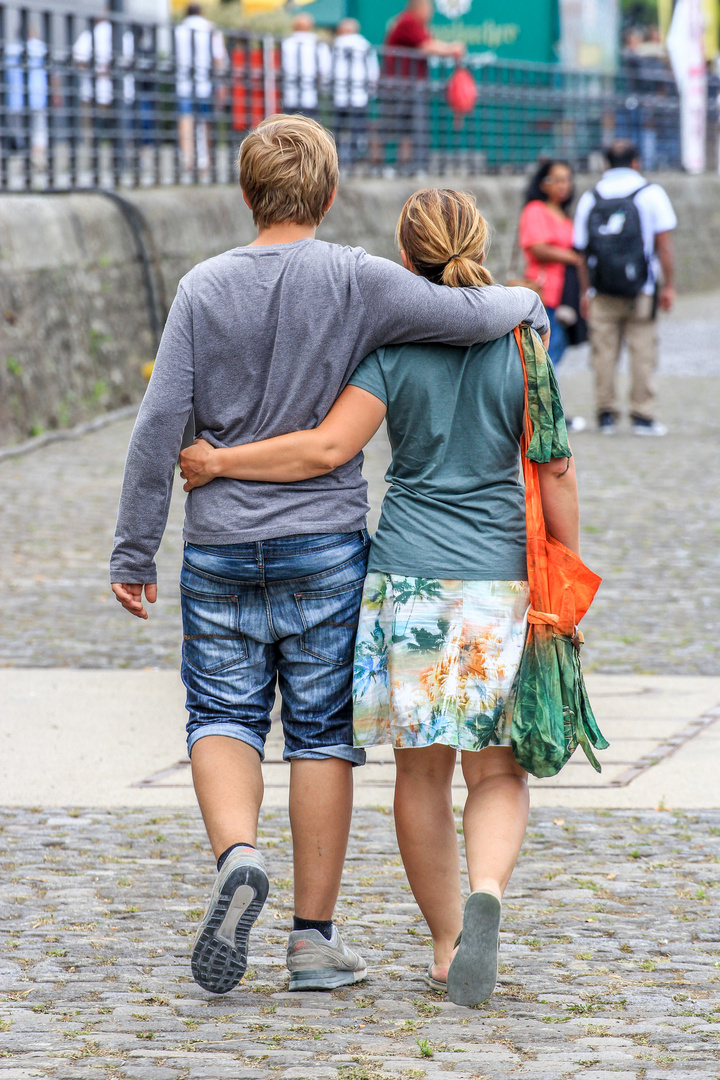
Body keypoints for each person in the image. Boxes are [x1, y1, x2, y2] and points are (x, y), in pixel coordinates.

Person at [110, 115, 550, 997]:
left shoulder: (200, 288)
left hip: (222, 539)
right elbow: (470, 311)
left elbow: (160, 422)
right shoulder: (357, 278)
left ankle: (239, 854)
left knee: (220, 715)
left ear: (245, 193)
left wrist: (134, 546)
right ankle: (313, 941)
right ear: (331, 192)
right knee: (319, 734)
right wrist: (532, 303)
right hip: (325, 542)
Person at [574, 139, 676, 436]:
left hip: (601, 289)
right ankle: (642, 415)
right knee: (642, 349)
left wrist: (585, 292)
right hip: (641, 288)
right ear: (637, 162)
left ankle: (606, 414)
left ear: (605, 163)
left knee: (603, 352)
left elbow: (581, 252)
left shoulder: (591, 197)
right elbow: (664, 245)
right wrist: (669, 285)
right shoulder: (651, 193)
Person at [518, 159, 586, 433]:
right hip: (545, 291)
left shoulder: (564, 213)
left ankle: (546, 408)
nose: (563, 185)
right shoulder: (536, 210)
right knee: (547, 351)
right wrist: (572, 257)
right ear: (543, 183)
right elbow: (536, 247)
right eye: (557, 179)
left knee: (556, 350)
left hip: (565, 293)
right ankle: (543, 411)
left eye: (567, 179)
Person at [383, 0, 464, 173]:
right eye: (429, 8)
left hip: (407, 86)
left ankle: (407, 167)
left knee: (408, 128)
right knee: (401, 127)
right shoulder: (408, 21)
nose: (431, 12)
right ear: (419, 7)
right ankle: (397, 167)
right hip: (401, 86)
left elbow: (429, 43)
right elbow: (428, 46)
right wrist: (453, 48)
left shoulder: (416, 24)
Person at [73, 10, 135, 173]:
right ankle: (121, 164)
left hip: (92, 91)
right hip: (119, 92)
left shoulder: (89, 34)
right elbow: (129, 61)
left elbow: (77, 57)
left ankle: (93, 165)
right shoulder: (123, 34)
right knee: (121, 130)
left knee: (91, 131)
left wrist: (96, 69)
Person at [174, 3, 228, 177]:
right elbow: (219, 59)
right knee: (204, 121)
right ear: (201, 12)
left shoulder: (179, 30)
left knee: (185, 119)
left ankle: (187, 159)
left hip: (184, 81)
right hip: (205, 82)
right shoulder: (211, 30)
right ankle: (203, 160)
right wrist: (220, 83)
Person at [331, 18, 379, 171]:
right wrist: (370, 91)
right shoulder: (364, 45)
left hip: (340, 96)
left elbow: (327, 70)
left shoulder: (336, 44)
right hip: (360, 97)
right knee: (357, 131)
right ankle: (353, 162)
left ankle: (337, 162)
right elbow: (373, 72)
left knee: (338, 130)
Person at [281, 14, 331, 119]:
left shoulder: (286, 43)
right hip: (310, 93)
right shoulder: (318, 44)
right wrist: (323, 87)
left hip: (289, 93)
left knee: (289, 124)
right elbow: (325, 69)